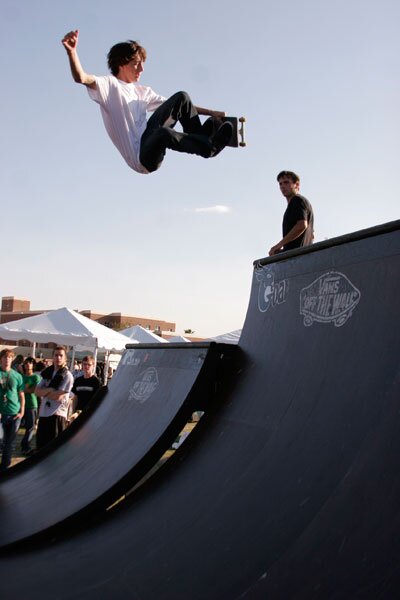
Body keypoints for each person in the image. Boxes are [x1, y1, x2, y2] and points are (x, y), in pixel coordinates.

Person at [61, 30, 233, 174]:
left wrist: (212, 113)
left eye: (142, 64)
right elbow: (81, 77)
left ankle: (202, 137)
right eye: (136, 64)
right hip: (142, 158)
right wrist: (72, 52)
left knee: (181, 97)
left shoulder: (143, 92)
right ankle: (209, 148)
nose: (141, 69)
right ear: (121, 64)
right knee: (163, 133)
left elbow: (182, 107)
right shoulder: (109, 86)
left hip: (149, 137)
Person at [35, 346, 74, 450]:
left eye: (61, 355)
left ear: (65, 358)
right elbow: (37, 391)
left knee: (54, 450)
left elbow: (58, 397)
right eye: (56, 355)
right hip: (44, 414)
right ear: (52, 357)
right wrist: (50, 390)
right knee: (41, 448)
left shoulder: (67, 376)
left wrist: (45, 392)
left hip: (57, 415)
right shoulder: (47, 373)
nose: (58, 358)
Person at [269, 171, 314, 256]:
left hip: (296, 257)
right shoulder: (299, 203)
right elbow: (312, 235)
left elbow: (302, 225)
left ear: (296, 185)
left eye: (286, 182)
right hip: (303, 256)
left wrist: (279, 245)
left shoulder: (297, 200)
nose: (282, 186)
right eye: (280, 184)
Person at [0, 349, 25, 471]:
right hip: (1, 414)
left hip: (15, 414)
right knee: (1, 442)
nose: (7, 360)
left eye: (10, 357)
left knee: (9, 443)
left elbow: (21, 395)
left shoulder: (17, 375)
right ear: (1, 359)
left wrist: (22, 412)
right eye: (5, 357)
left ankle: (5, 467)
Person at [70, 355, 101, 420]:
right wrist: (73, 412)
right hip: (77, 413)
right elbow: (75, 398)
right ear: (82, 365)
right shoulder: (77, 381)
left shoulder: (96, 382)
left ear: (93, 366)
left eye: (89, 365)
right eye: (84, 364)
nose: (86, 366)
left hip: (90, 414)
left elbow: (98, 400)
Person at [21, 357, 41, 455]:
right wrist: (27, 388)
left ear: (33, 365)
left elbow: (33, 390)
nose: (28, 365)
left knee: (30, 427)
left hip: (32, 405)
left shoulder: (36, 377)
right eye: (26, 363)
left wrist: (24, 388)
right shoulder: (21, 377)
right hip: (20, 405)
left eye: (30, 363)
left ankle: (25, 446)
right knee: (15, 426)